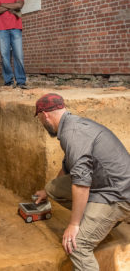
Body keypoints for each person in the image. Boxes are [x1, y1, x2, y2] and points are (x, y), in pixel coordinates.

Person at [34, 93, 130, 271]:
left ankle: (108, 218)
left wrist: (74, 224)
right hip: (106, 184)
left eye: (39, 118)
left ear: (45, 115)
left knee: (77, 245)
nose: (41, 122)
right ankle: (102, 219)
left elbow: (81, 184)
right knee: (53, 187)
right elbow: (69, 169)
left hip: (118, 195)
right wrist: (47, 192)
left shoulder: (72, 134)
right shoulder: (72, 125)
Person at [0, 0, 27, 89]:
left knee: (18, 55)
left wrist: (4, 5)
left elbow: (19, 5)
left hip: (16, 27)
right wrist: (12, 6)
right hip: (2, 29)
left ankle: (21, 81)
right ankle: (8, 81)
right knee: (4, 55)